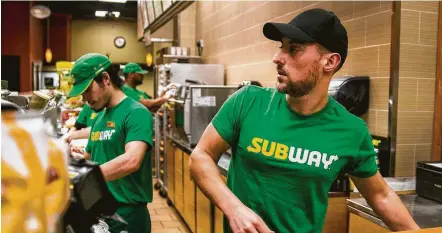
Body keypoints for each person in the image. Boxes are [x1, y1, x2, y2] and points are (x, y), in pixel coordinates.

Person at [189, 8, 420, 233]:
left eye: (294, 49)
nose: (277, 58)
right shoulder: (248, 101)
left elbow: (381, 195)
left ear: (329, 62)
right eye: (281, 47)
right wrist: (235, 209)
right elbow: (201, 156)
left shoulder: (352, 130)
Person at [67, 53, 154, 233]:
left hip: (127, 215)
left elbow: (132, 160)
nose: (85, 100)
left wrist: (84, 178)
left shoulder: (136, 112)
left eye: (87, 90)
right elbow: (90, 157)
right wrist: (72, 162)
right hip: (100, 212)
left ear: (105, 79)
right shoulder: (99, 118)